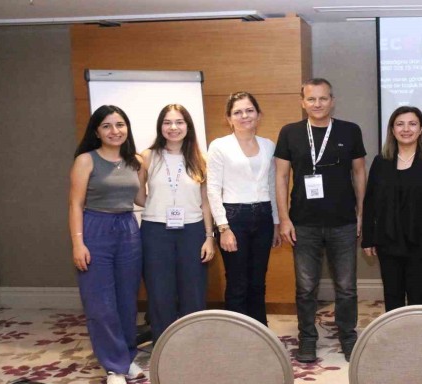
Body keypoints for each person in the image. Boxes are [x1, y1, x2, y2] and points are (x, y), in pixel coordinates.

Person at [275, 78, 366, 363]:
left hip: (343, 222)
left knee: (346, 287)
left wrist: (361, 213)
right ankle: (307, 338)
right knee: (305, 288)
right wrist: (284, 218)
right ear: (302, 102)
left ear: (332, 101)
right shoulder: (290, 133)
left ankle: (348, 336)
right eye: (311, 99)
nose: (317, 104)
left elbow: (359, 173)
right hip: (303, 223)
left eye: (323, 98)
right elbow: (281, 177)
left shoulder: (350, 131)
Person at [69, 105, 144, 384]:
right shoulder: (86, 160)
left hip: (128, 230)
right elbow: (75, 204)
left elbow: (141, 199)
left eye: (120, 124)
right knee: (100, 304)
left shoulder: (136, 161)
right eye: (107, 126)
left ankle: (126, 358)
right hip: (95, 229)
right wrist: (78, 243)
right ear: (97, 131)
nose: (115, 131)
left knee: (127, 300)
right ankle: (114, 367)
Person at [361, 106, 422, 311]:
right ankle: (395, 332)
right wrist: (368, 237)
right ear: (392, 129)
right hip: (387, 241)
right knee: (392, 296)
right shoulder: (380, 162)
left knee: (418, 296)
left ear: (421, 129)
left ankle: (417, 332)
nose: (406, 129)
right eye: (400, 124)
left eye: (412, 124)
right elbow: (370, 202)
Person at [139, 104, 215, 344]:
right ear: (160, 127)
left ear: (188, 126)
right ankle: (164, 344)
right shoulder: (147, 156)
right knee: (159, 291)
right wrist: (156, 206)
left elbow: (205, 201)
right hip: (155, 231)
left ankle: (192, 344)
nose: (173, 127)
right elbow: (138, 195)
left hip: (192, 231)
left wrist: (209, 237)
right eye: (167, 122)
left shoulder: (200, 158)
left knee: (193, 291)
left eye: (179, 122)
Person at [207, 92, 281, 325]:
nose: (244, 116)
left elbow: (271, 185)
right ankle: (236, 335)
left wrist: (276, 222)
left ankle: (260, 331)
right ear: (229, 118)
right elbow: (213, 189)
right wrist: (223, 228)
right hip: (233, 218)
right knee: (237, 282)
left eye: (249, 110)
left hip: (264, 216)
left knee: (258, 282)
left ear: (258, 115)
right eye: (237, 112)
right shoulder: (219, 146)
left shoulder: (268, 145)